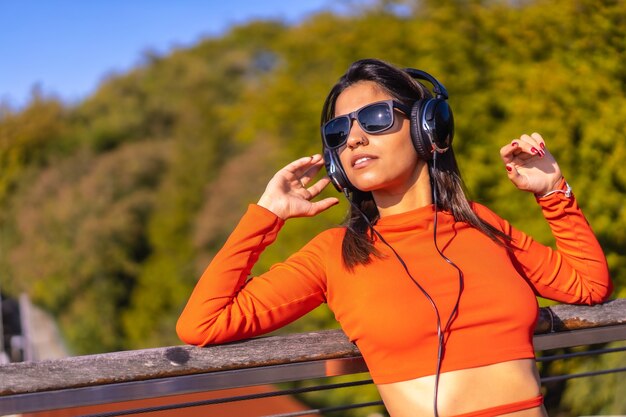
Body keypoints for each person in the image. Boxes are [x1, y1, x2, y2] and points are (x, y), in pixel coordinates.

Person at [176, 58, 612, 417]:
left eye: (375, 118)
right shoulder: (334, 255)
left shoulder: (481, 224)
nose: (355, 138)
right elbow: (203, 323)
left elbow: (588, 286)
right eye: (339, 132)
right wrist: (267, 215)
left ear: (428, 128)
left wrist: (553, 192)